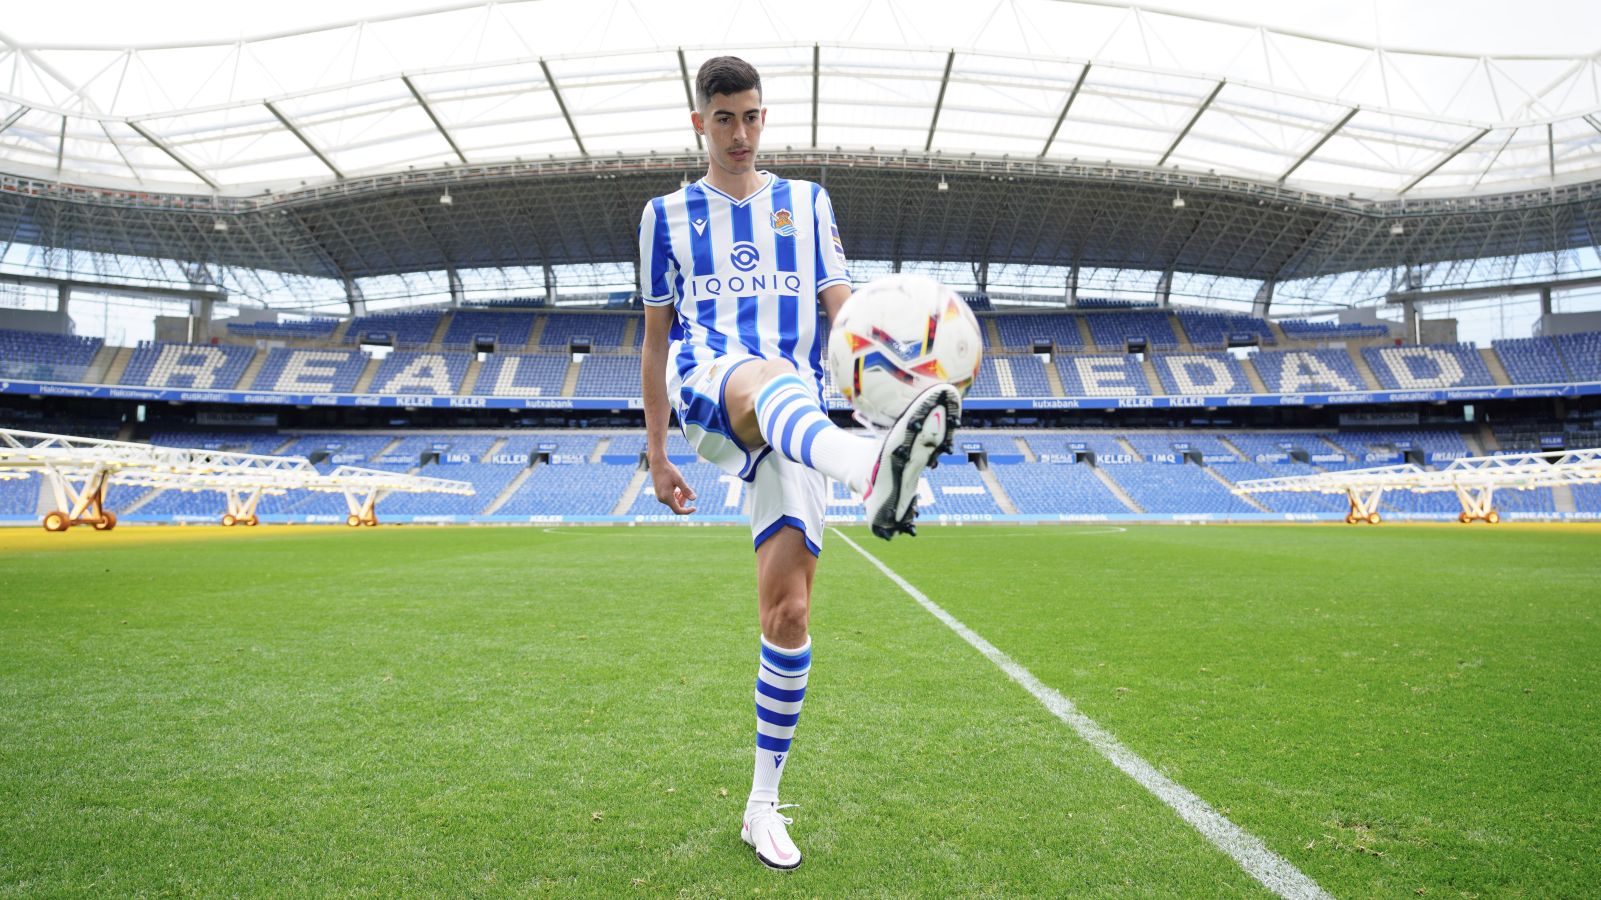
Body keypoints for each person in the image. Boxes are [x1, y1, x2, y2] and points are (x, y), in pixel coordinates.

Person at [636, 56, 960, 870]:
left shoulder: (807, 204)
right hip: (712, 380)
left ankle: (759, 803)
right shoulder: (665, 216)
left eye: (751, 117)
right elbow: (651, 341)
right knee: (768, 376)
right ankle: (867, 467)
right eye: (723, 120)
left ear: (762, 117)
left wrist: (894, 369)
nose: (739, 134)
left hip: (799, 420)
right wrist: (656, 450)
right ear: (698, 124)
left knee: (787, 616)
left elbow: (842, 314)